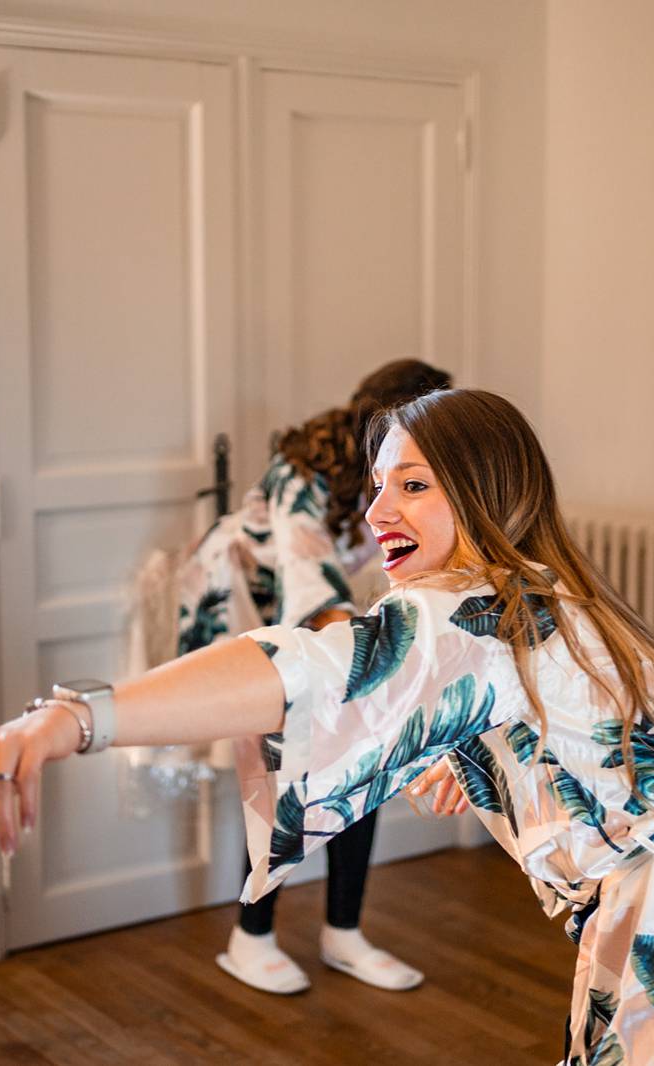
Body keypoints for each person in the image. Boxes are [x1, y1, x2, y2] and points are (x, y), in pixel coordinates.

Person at [0, 388, 654, 1065]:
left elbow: (308, 661)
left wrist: (78, 714)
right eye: (376, 484)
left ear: (486, 491)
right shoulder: (559, 597)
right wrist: (494, 768)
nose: (378, 510)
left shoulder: (469, 606)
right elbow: (605, 752)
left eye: (412, 482)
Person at [173, 358, 450, 994]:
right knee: (284, 761)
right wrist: (374, 659)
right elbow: (311, 583)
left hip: (313, 612)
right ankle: (251, 936)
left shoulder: (407, 473)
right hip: (242, 607)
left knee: (363, 752)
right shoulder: (305, 474)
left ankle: (343, 931)